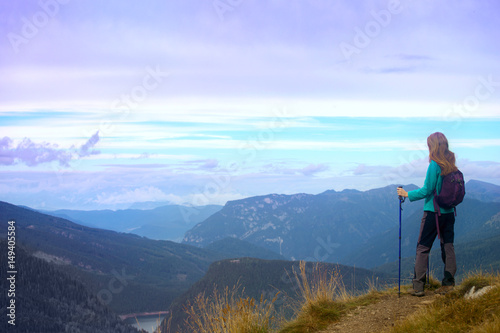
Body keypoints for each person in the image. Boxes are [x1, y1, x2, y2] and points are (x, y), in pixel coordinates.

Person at [397, 132, 457, 297]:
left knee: (423, 247)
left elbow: (427, 189)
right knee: (448, 246)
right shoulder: (451, 163)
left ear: (433, 146)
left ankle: (418, 286)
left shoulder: (434, 165)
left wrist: (407, 194)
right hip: (449, 212)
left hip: (433, 212)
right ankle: (449, 283)